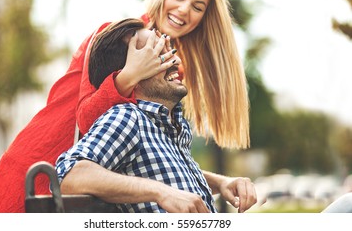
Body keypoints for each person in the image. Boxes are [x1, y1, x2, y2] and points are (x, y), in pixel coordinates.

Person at [0, 0, 249, 212]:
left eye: (197, 7)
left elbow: (152, 157)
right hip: (41, 165)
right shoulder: (122, 37)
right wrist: (130, 73)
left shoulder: (171, 65)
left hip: (92, 183)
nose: (184, 10)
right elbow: (88, 119)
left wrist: (218, 184)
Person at [55, 18, 257, 213]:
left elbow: (165, 172)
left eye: (170, 51)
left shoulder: (169, 128)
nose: (176, 61)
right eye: (159, 54)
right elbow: (67, 175)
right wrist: (159, 192)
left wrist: (221, 182)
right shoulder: (127, 119)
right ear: (132, 70)